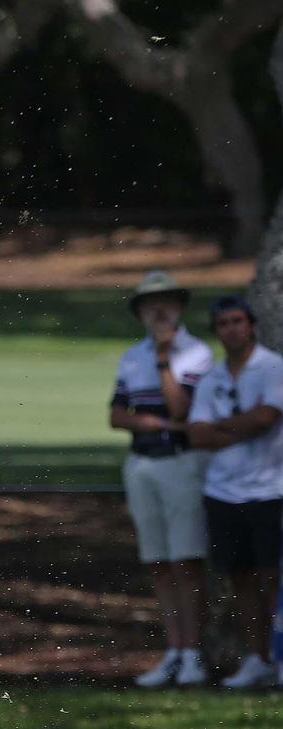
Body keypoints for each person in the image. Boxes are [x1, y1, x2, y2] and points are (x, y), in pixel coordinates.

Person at [110, 271, 214, 688]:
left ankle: (193, 653)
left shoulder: (198, 354)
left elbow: (182, 409)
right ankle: (173, 651)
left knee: (186, 561)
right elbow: (117, 416)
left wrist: (165, 359)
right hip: (142, 463)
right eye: (149, 303)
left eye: (166, 301)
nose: (158, 310)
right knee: (157, 563)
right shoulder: (131, 356)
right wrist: (158, 424)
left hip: (182, 463)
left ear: (179, 306)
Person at [188, 296, 283, 690]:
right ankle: (258, 659)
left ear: (252, 325)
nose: (232, 329)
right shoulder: (212, 379)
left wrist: (223, 425)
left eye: (238, 321)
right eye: (223, 323)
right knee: (241, 578)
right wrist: (244, 424)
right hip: (223, 492)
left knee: (275, 576)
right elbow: (197, 435)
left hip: (270, 490)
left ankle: (279, 656)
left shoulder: (273, 367)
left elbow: (267, 417)